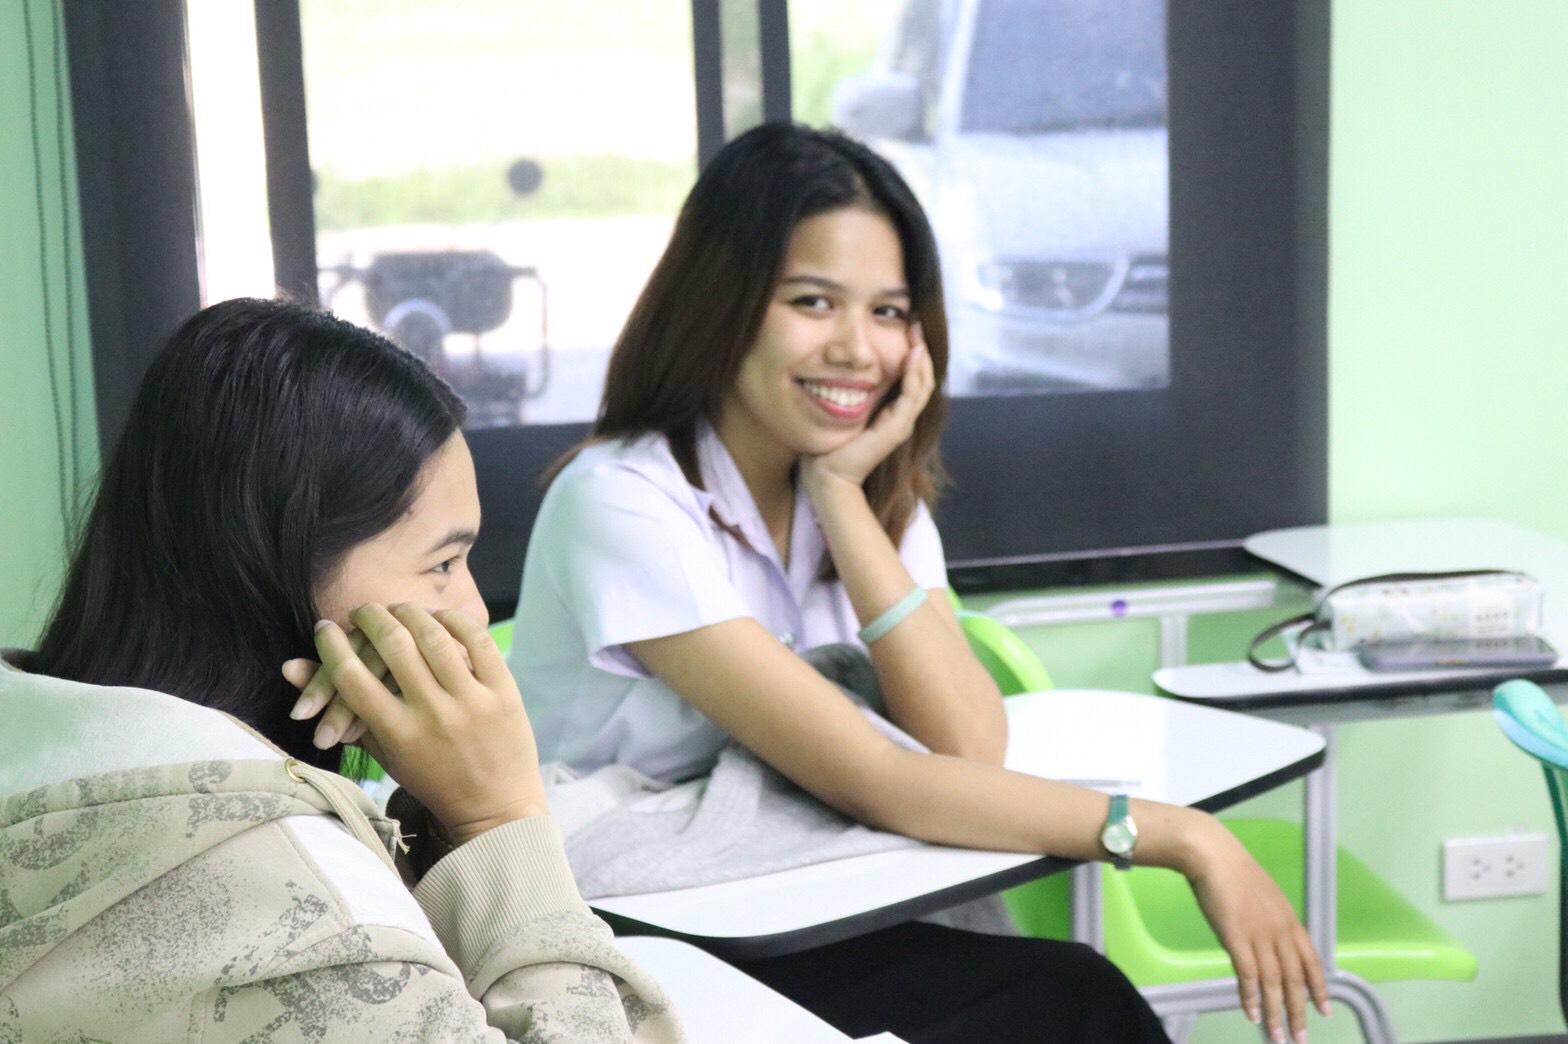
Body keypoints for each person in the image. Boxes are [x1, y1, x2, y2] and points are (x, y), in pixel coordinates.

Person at [510, 122, 1330, 1044]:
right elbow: (880, 779)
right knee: (1072, 1003)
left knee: (1065, 998)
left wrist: (839, 498)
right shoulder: (620, 502)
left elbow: (967, 747)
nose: (859, 349)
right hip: (643, 929)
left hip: (804, 898)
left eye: (891, 313)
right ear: (720, 305)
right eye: (813, 301)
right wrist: (1185, 835)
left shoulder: (870, 498)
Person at [0, 299, 682, 1043]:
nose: (474, 610)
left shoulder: (48, 736)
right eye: (443, 563)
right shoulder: (295, 903)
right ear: (276, 567)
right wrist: (501, 817)